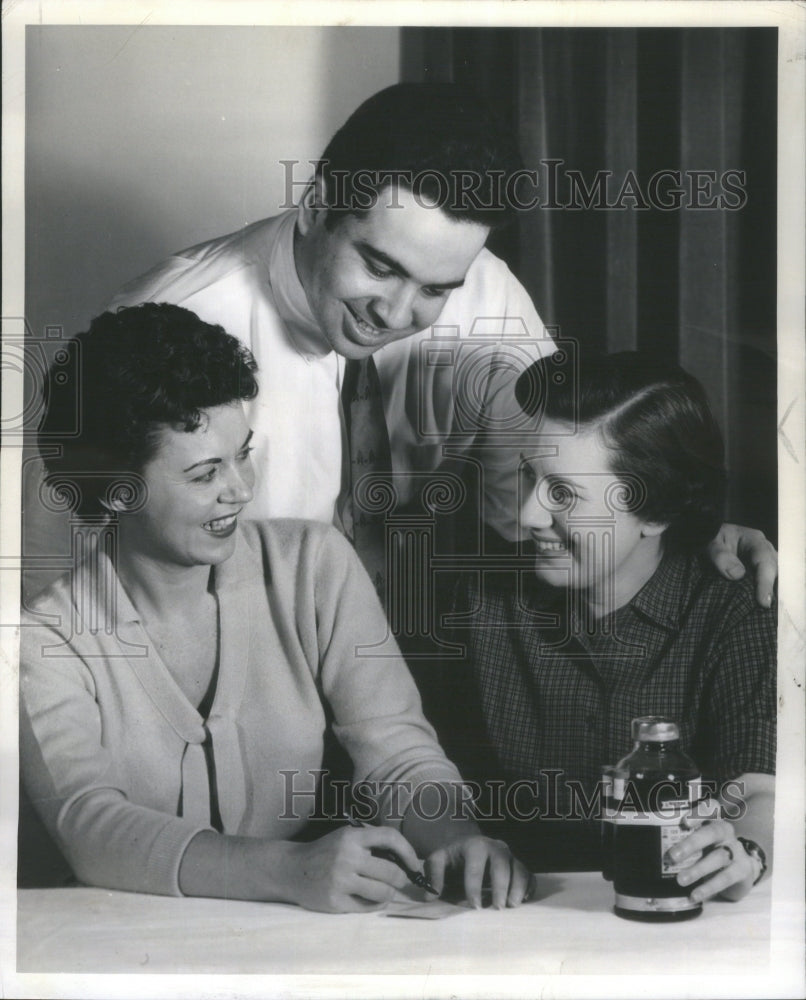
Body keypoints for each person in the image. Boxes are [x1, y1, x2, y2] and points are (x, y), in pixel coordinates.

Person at [107, 82, 777, 605]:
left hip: (420, 662)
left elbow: (558, 485)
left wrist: (692, 540)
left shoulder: (482, 291)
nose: (396, 313)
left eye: (435, 288)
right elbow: (60, 585)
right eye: (379, 266)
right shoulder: (171, 320)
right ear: (316, 208)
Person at [19, 303, 530, 912]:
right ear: (117, 486)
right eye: (205, 472)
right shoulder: (43, 638)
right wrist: (289, 870)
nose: (241, 488)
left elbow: (397, 751)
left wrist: (455, 839)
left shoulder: (313, 564)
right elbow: (88, 825)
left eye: (244, 454)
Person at [426, 351, 775, 903]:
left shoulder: (732, 609)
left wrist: (746, 853)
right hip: (518, 919)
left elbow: (757, 790)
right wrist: (461, 838)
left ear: (655, 512)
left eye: (563, 494)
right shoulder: (479, 602)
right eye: (529, 477)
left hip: (675, 921)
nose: (528, 516)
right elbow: (421, 767)